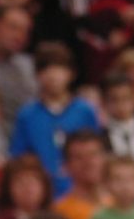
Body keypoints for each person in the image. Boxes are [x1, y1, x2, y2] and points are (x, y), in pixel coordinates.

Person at [9, 43, 100, 196]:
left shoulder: (85, 111)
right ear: (37, 75)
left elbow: (97, 154)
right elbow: (19, 159)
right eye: (46, 69)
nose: (52, 76)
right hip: (43, 195)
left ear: (71, 74)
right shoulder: (27, 115)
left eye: (59, 68)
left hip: (81, 192)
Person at [52, 131, 110, 219]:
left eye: (94, 155)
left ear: (105, 159)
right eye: (79, 157)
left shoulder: (122, 204)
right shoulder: (59, 212)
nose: (88, 163)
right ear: (66, 166)